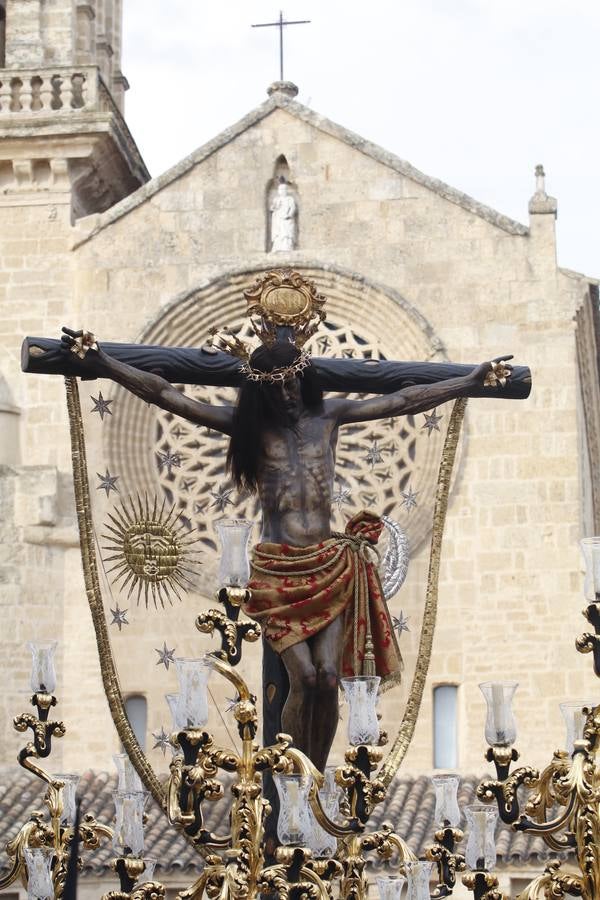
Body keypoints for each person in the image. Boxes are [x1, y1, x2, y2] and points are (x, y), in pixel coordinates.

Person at [60, 327, 510, 770]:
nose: (287, 396)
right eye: (276, 390)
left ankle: (313, 780)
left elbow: (402, 401)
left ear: (303, 379)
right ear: (262, 393)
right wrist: (103, 365)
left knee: (330, 678)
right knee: (307, 676)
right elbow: (166, 394)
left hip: (329, 564)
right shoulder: (250, 428)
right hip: (276, 570)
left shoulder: (328, 417)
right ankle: (294, 777)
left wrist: (469, 382)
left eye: (292, 384)